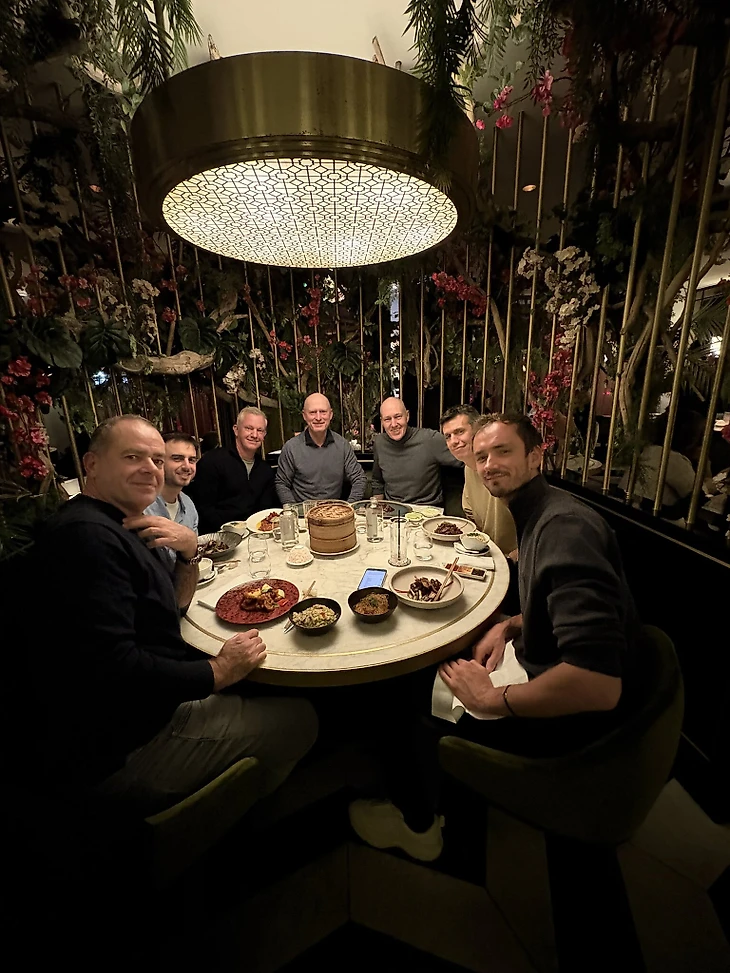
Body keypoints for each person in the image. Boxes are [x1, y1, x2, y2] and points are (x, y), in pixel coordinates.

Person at [349, 412, 640, 861]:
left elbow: (598, 683)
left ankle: (417, 825)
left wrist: (490, 700)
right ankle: (432, 781)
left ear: (536, 456)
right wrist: (509, 625)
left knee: (395, 692)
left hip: (567, 724)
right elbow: (557, 610)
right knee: (433, 663)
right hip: (534, 663)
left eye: (503, 451)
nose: (489, 464)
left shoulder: (565, 528)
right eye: (481, 456)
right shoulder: (542, 511)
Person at [31, 414, 317, 813]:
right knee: (303, 720)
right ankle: (227, 819)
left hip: (152, 705)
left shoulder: (121, 524)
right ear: (91, 464)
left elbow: (175, 607)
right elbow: (117, 668)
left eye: (156, 459)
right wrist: (218, 672)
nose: (150, 468)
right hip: (127, 745)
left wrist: (188, 554)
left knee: (260, 685)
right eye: (133, 457)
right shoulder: (87, 538)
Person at [440, 404, 517, 555]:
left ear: (478, 431)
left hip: (512, 559)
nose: (454, 441)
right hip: (486, 552)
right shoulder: (468, 468)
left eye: (459, 432)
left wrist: (519, 555)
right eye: (448, 436)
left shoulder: (503, 467)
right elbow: (471, 517)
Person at [187, 406, 279, 533]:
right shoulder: (212, 462)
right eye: (249, 428)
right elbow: (203, 509)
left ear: (264, 435)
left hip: (255, 535)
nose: (254, 435)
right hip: (219, 536)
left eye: (260, 430)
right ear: (236, 430)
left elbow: (265, 511)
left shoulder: (265, 470)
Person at [619, 410, 706, 525]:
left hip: (627, 515)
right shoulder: (673, 459)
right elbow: (697, 497)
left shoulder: (648, 451)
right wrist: (706, 471)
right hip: (656, 524)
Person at [370, 397, 462, 506]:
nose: (393, 424)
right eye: (387, 419)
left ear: (407, 416)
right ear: (382, 422)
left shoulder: (430, 440)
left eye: (398, 417)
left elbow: (467, 461)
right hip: (393, 509)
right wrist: (376, 510)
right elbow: (377, 482)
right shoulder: (380, 443)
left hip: (427, 509)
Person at [276, 392, 366, 503]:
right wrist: (293, 510)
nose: (318, 418)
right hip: (303, 511)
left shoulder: (342, 445)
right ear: (304, 415)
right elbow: (282, 484)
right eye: (312, 412)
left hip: (334, 511)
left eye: (323, 412)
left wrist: (349, 506)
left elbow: (359, 479)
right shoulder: (291, 448)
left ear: (330, 414)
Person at [144, 431, 199, 570]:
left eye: (192, 460)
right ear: (159, 462)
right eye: (177, 459)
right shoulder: (142, 507)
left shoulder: (188, 505)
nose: (187, 466)